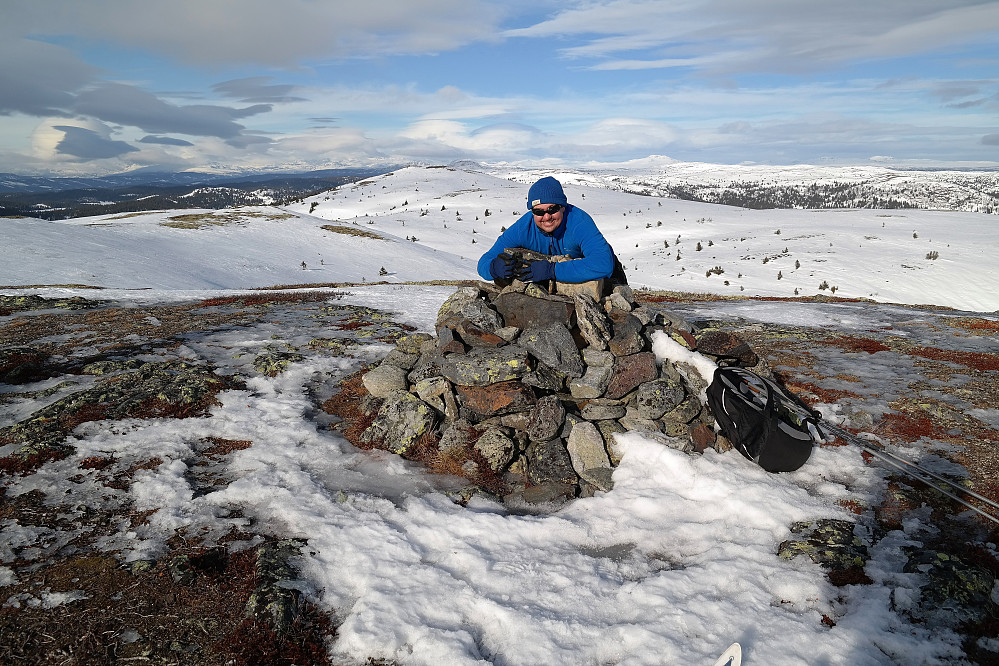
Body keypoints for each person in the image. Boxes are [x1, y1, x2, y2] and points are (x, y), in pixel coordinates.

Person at [477, 176, 623, 285]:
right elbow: (484, 261)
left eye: (552, 209)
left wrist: (552, 270)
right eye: (539, 212)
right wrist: (493, 268)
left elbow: (603, 263)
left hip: (603, 276)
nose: (546, 217)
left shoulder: (579, 222)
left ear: (563, 207)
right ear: (532, 212)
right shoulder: (523, 228)